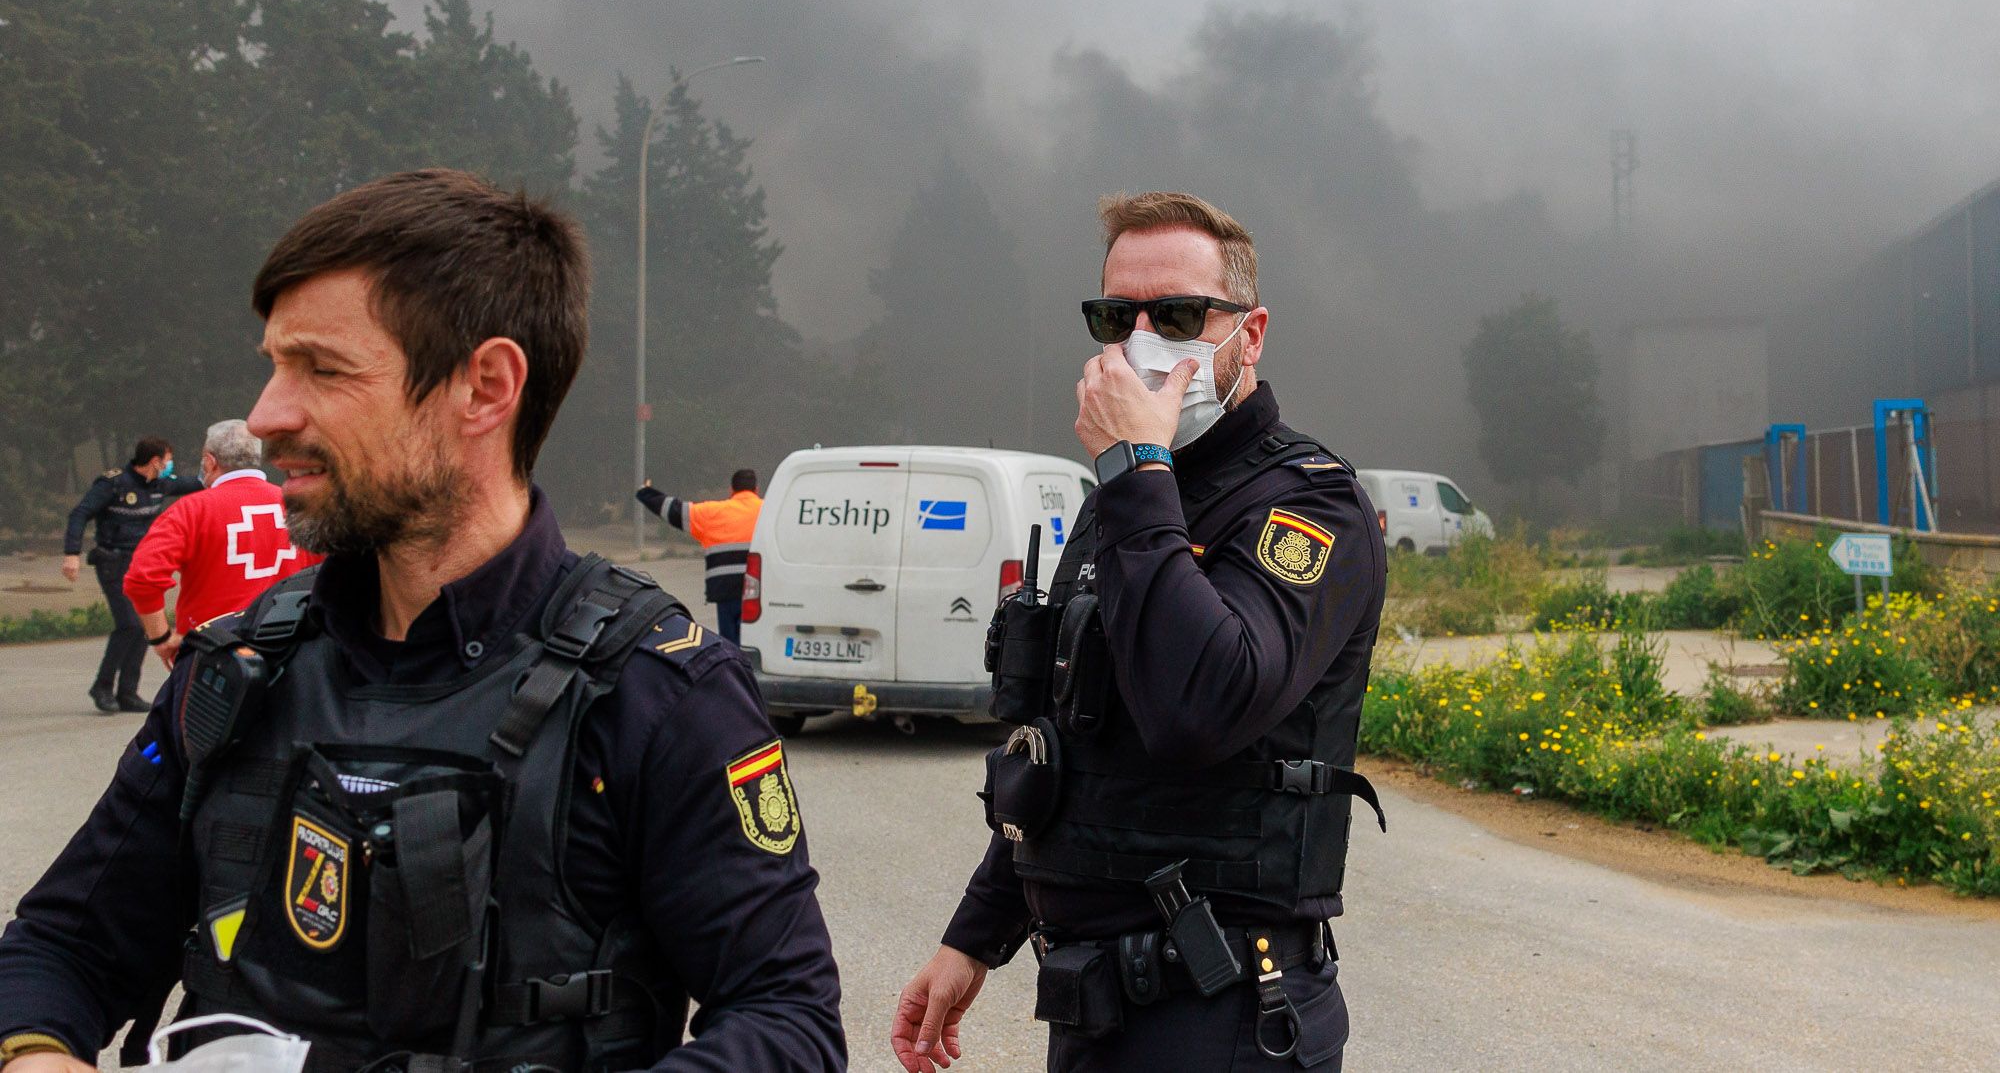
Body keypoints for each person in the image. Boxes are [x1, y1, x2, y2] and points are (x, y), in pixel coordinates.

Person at [0, 170, 845, 1072]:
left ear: (485, 386)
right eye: (274, 366)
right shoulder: (240, 665)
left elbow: (786, 1020)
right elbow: (58, 949)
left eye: (321, 368)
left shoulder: (658, 695)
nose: (265, 415)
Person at [890, 192, 1387, 1072]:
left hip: (1227, 1011)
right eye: (1119, 315)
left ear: (1251, 333)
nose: (1144, 338)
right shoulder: (1119, 506)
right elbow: (1063, 755)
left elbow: (1202, 704)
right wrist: (974, 937)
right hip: (1094, 1008)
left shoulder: (1310, 502)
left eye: (1181, 314)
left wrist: (1135, 470)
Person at [123, 418, 322, 669]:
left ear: (210, 461)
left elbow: (142, 578)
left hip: (212, 657)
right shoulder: (300, 506)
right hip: (291, 654)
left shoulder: (189, 511)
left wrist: (161, 639)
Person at [60, 435, 202, 713]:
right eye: (168, 460)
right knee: (129, 624)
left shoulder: (161, 484)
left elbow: (198, 483)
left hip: (140, 564)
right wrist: (71, 553)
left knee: (142, 628)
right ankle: (102, 687)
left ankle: (127, 692)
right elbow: (80, 513)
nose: (170, 466)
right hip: (113, 562)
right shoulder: (113, 484)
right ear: (155, 461)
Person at [636, 469, 762, 645]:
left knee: (731, 646)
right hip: (758, 592)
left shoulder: (713, 513)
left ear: (731, 490)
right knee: (754, 644)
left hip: (725, 592)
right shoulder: (769, 511)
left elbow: (673, 510)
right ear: (756, 490)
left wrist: (645, 492)